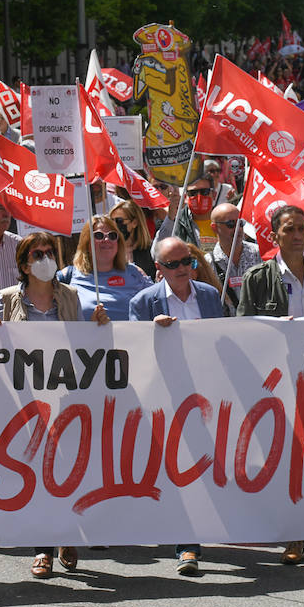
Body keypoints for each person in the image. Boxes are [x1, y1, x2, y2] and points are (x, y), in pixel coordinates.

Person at [236, 205, 304, 569]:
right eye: (290, 229)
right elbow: (244, 330)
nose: (298, 235)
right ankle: (293, 537)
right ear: (275, 235)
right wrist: (273, 326)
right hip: (278, 381)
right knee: (288, 459)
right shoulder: (257, 277)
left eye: (302, 228)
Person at [0, 234, 106, 580]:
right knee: (37, 474)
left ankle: (67, 534)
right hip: (25, 402)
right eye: (37, 254)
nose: (45, 259)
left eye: (49, 253)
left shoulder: (70, 296)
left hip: (65, 398)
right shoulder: (7, 298)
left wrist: (98, 326)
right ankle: (43, 547)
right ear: (24, 265)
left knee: (66, 471)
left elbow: (84, 346)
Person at [128, 236, 224, 575]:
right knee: (181, 470)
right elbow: (134, 352)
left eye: (188, 262)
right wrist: (151, 333)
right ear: (159, 268)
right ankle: (187, 545)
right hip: (166, 397)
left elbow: (225, 340)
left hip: (208, 394)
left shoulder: (211, 295)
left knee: (206, 466)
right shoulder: (143, 302)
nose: (184, 269)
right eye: (174, 264)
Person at [58, 215, 151, 322]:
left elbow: (157, 302)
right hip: (86, 338)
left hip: (129, 338)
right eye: (98, 235)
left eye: (112, 235)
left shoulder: (135, 272)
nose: (106, 239)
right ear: (86, 242)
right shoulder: (68, 275)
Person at [209, 202, 259, 312]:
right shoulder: (208, 263)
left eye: (240, 223)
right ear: (215, 227)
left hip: (258, 324)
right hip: (225, 326)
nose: (238, 229)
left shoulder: (258, 254)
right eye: (231, 224)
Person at [110, 199, 157, 279]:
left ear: (134, 223)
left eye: (119, 221)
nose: (114, 225)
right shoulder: (107, 249)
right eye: (111, 221)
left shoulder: (151, 250)